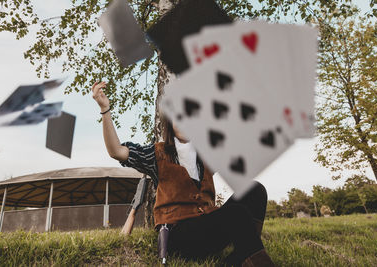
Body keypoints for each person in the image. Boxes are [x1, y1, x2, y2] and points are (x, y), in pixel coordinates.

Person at [92, 81, 275, 266]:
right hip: (179, 235)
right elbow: (116, 151)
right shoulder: (156, 154)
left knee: (255, 190)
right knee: (236, 213)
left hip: (208, 228)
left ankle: (242, 256)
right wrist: (105, 110)